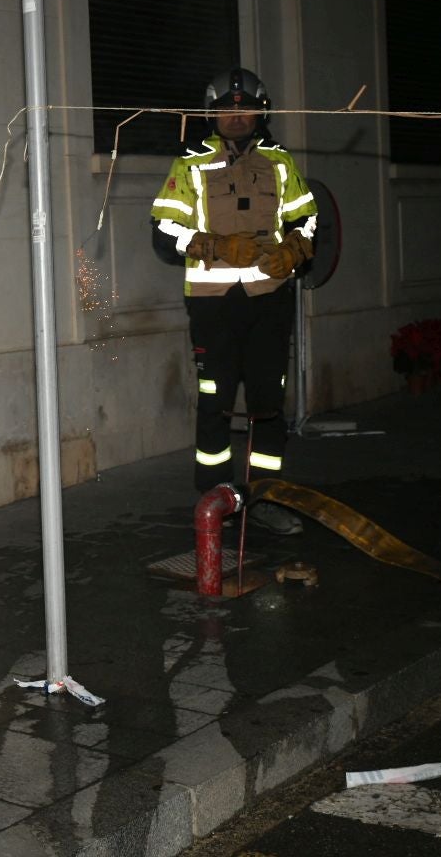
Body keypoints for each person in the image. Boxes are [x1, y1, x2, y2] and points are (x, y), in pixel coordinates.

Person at [149, 68, 318, 535]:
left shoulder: (281, 163)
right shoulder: (189, 165)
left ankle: (266, 498)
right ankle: (213, 501)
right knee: (215, 402)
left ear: (261, 111)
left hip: (269, 300)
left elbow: (307, 220)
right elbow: (164, 233)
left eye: (244, 107)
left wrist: (297, 248)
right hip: (214, 303)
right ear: (212, 114)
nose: (236, 116)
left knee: (268, 404)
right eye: (226, 108)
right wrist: (212, 245)